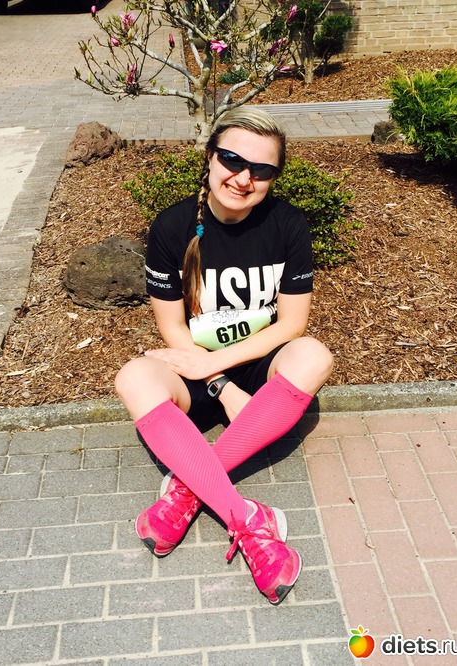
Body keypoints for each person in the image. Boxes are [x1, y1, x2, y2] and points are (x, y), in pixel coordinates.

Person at [115, 107, 334, 605]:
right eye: (232, 160)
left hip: (259, 369)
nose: (243, 178)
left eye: (262, 169)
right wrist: (219, 384)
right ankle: (247, 519)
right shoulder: (172, 227)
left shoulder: (288, 224)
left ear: (274, 177)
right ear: (210, 157)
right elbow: (172, 329)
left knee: (314, 355)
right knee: (133, 377)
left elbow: (292, 325)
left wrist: (229, 375)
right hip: (194, 368)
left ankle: (189, 487)